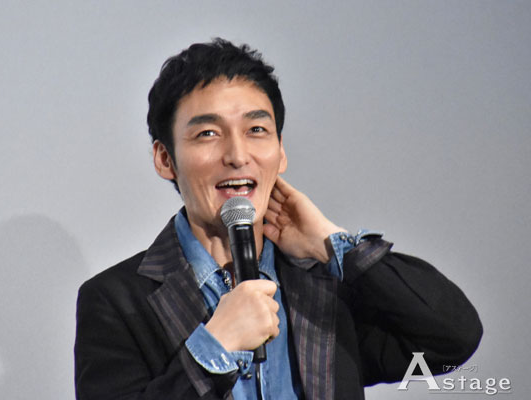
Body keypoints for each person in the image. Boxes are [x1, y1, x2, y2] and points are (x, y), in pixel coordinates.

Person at [74, 38, 482, 400]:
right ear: (165, 159)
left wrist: (333, 245)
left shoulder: (325, 285)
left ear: (281, 151)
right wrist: (215, 349)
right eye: (208, 134)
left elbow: (452, 339)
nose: (238, 155)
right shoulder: (116, 300)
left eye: (256, 129)